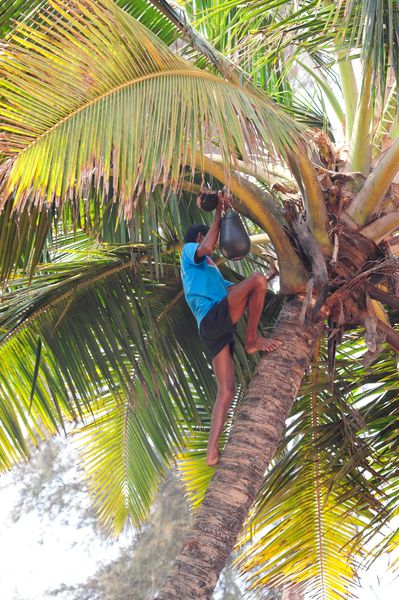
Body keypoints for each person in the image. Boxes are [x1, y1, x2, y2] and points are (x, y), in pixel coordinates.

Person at [181, 189, 281, 466]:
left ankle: (212, 451)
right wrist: (218, 216)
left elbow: (238, 292)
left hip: (211, 328)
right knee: (257, 280)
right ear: (200, 237)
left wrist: (269, 277)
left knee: (227, 390)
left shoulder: (210, 273)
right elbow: (208, 248)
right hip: (214, 318)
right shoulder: (189, 252)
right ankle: (252, 340)